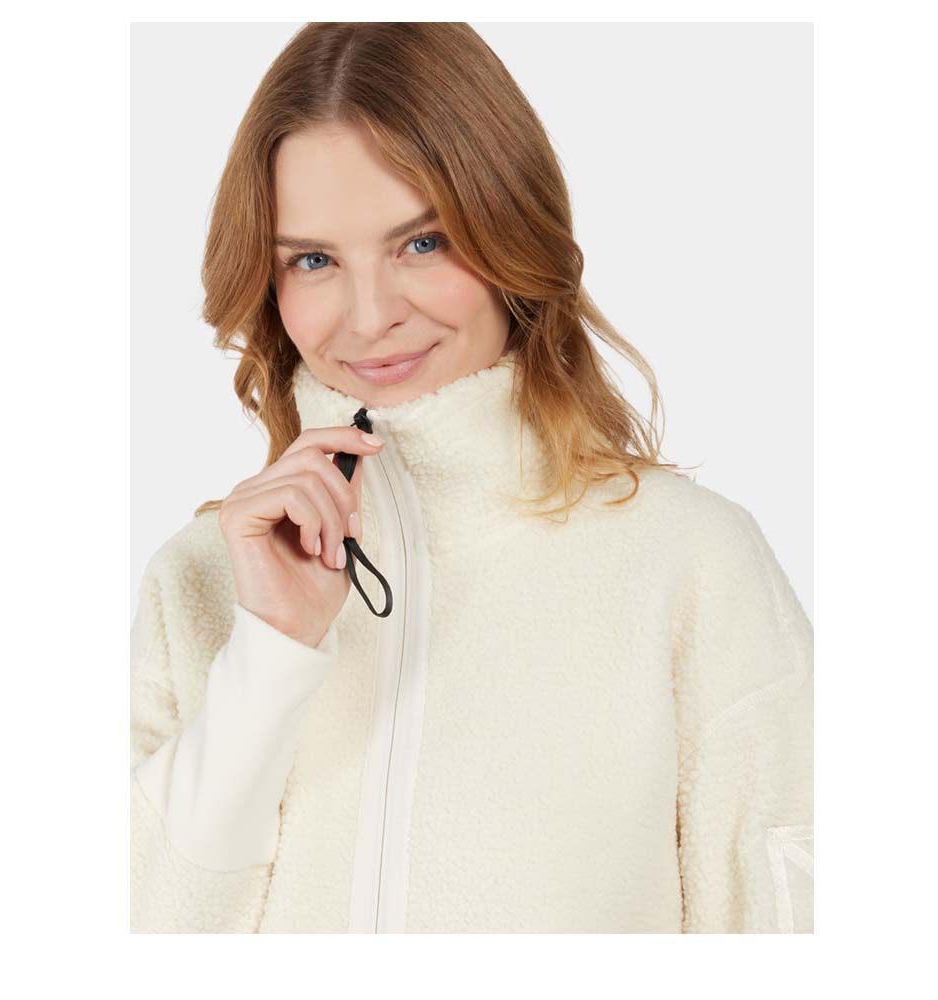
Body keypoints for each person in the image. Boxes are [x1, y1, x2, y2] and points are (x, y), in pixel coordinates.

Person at [130, 22, 813, 934]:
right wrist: (270, 654)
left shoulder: (690, 564)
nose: (370, 316)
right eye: (314, 260)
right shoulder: (200, 580)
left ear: (510, 231)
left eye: (423, 243)